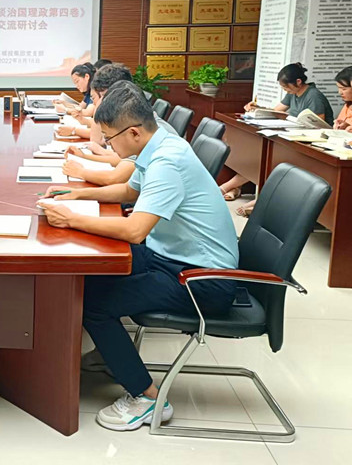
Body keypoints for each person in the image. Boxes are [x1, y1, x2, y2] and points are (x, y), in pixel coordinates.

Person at [38, 84, 238, 432]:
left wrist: (70, 219)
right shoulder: (158, 145)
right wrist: (77, 194)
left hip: (202, 279)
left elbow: (134, 230)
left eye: (110, 139)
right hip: (172, 257)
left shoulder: (167, 161)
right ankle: (112, 352)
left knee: (92, 304)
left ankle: (147, 398)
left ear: (133, 132)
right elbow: (131, 191)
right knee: (92, 275)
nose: (108, 146)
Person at [220, 63, 334, 215]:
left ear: (298, 82)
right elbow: (276, 111)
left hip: (310, 143)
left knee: (273, 163)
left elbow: (319, 123)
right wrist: (256, 108)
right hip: (291, 138)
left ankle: (257, 198)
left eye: (286, 86)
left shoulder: (313, 95)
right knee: (261, 159)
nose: (285, 90)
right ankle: (238, 190)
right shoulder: (293, 93)